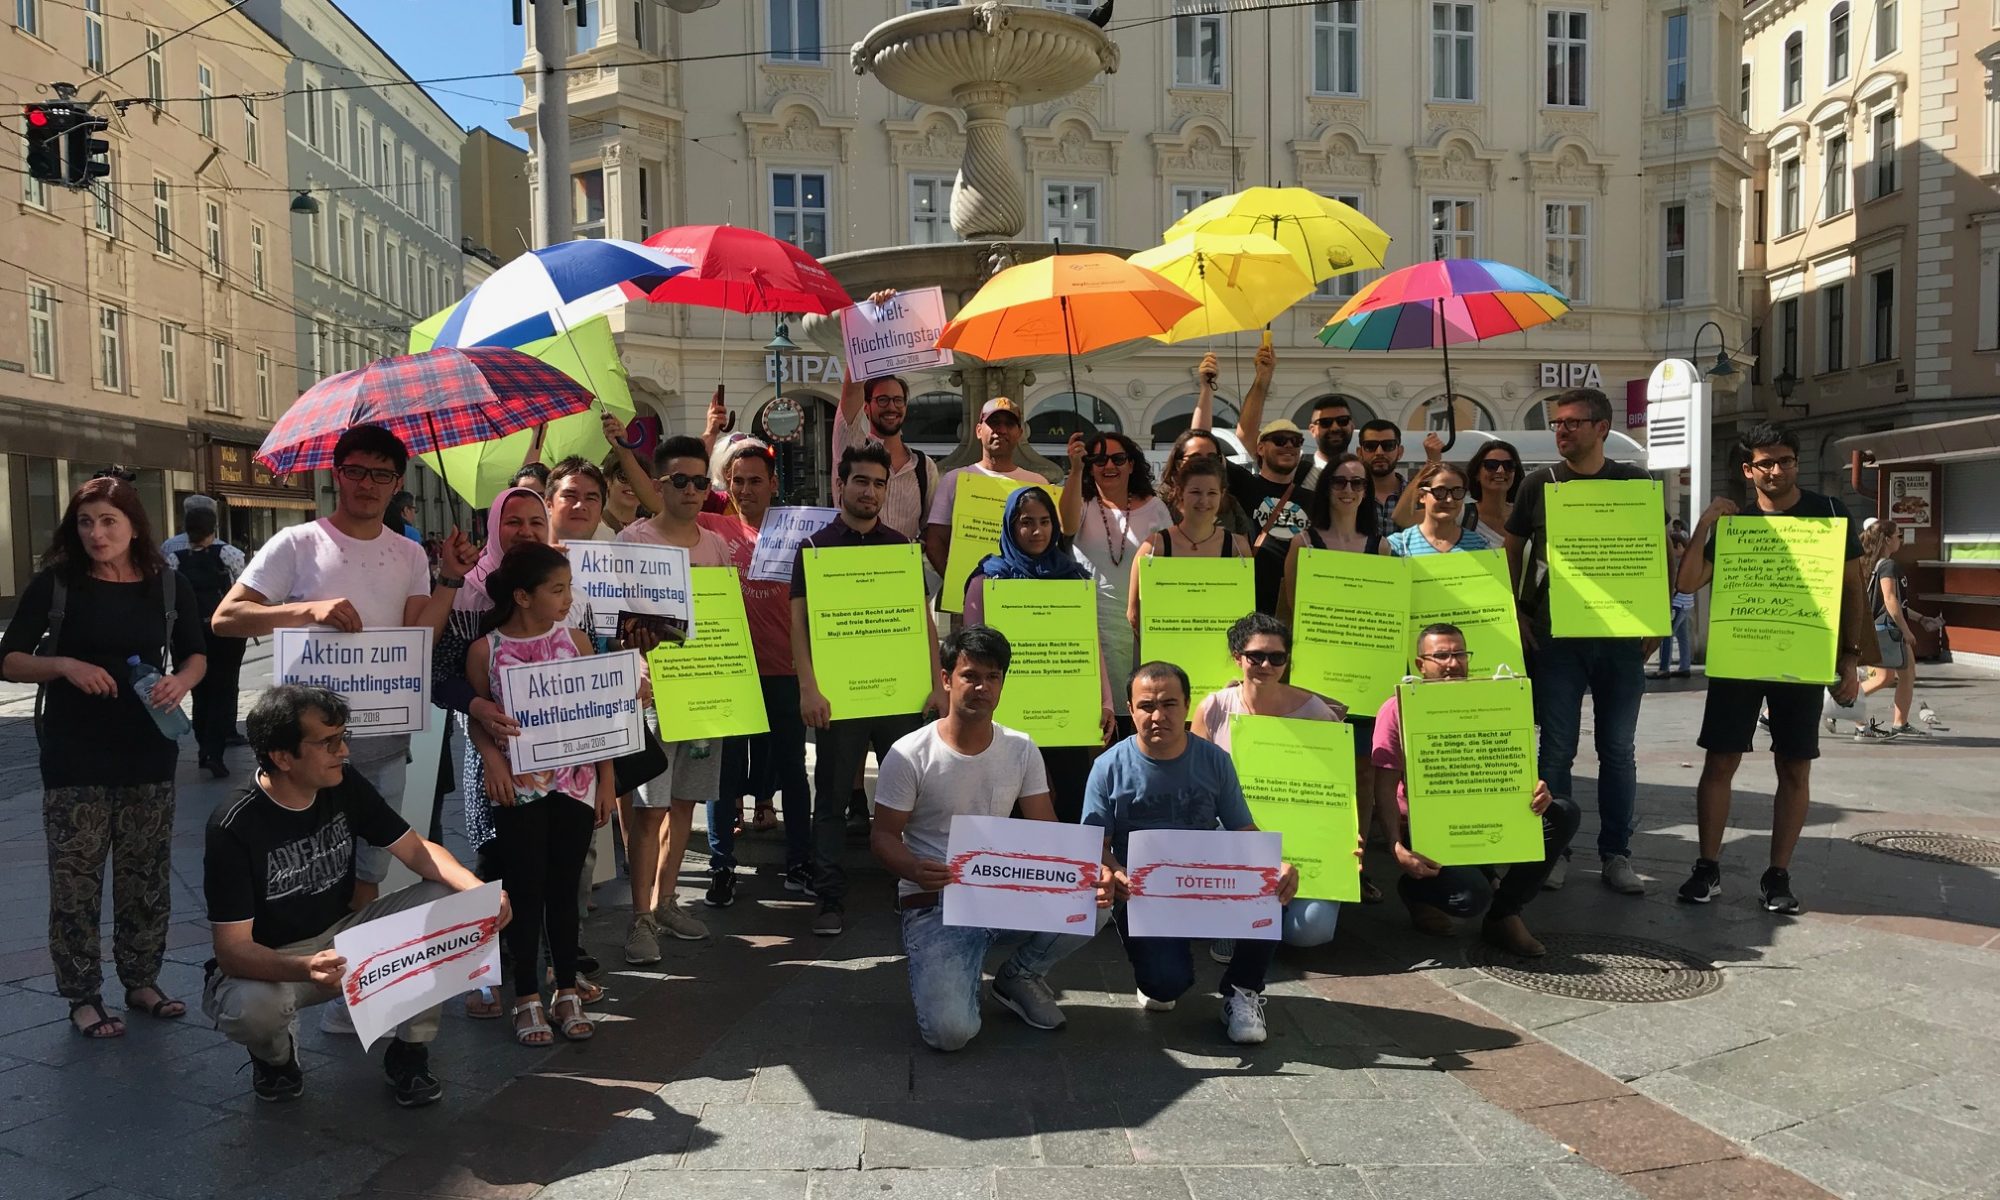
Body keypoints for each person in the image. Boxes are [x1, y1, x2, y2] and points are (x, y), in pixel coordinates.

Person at [214, 424, 478, 1032]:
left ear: (397, 483)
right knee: (302, 866)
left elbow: (423, 635)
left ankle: (347, 985)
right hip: (301, 754)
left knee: (368, 869)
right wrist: (305, 610)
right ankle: (297, 971)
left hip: (382, 739)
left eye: (381, 475)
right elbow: (228, 617)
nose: (367, 484)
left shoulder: (410, 552)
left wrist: (449, 579)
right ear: (336, 473)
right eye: (356, 471)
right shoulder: (296, 542)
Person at [202, 685, 507, 1105]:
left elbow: (415, 848)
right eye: (328, 742)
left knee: (450, 900)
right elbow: (232, 952)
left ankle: (410, 1051)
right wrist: (306, 966)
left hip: (347, 936)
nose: (343, 751)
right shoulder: (234, 825)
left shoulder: (342, 783)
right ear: (283, 756)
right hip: (279, 961)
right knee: (254, 1006)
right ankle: (276, 1061)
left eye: (343, 737)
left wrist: (480, 894)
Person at [0, 476, 208, 1039]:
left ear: (134, 525)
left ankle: (142, 981)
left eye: (108, 521)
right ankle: (83, 995)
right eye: (86, 521)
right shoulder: (57, 584)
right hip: (75, 755)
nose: (97, 533)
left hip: (147, 750)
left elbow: (196, 652)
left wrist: (181, 681)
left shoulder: (167, 585)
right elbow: (10, 660)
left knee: (145, 874)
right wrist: (64, 665)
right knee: (76, 880)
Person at [871, 626, 1099, 1050]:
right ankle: (956, 969)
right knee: (951, 1034)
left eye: (993, 678)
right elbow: (883, 836)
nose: (982, 687)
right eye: (970, 676)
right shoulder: (909, 753)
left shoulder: (1021, 748)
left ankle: (1019, 976)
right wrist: (913, 868)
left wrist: (1082, 872)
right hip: (936, 903)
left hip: (1004, 891)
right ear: (946, 679)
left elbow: (1044, 828)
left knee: (1096, 899)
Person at [1674, 424, 1867, 914]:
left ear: (1796, 463)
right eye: (1766, 463)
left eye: (1785, 460)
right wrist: (1707, 524)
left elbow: (1851, 591)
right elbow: (1689, 579)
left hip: (1802, 659)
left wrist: (1850, 658)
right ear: (1748, 470)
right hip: (1741, 657)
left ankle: (1778, 875)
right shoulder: (1735, 524)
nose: (1777, 470)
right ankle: (1706, 867)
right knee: (1719, 761)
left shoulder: (1829, 512)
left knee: (1795, 766)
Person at [1085, 661, 1300, 1044]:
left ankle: (1242, 991)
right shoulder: (1107, 767)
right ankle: (1159, 970)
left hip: (1207, 884)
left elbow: (1242, 829)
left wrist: (1277, 863)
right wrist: (1115, 869)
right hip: (1143, 897)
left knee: (1271, 884)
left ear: (1186, 706)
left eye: (1169, 704)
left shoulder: (1214, 760)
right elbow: (1094, 846)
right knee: (1165, 987)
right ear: (1130, 708)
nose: (1158, 715)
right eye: (1146, 705)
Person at [1502, 389, 1652, 896]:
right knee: (1557, 749)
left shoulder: (1633, 480)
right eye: (1556, 424)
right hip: (1557, 637)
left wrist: (1657, 619)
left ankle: (1616, 854)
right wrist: (1516, 608)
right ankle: (1554, 849)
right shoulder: (1538, 483)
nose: (1562, 431)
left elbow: (1651, 551)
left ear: (1602, 427)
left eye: (1572, 423)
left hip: (1619, 637)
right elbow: (1514, 544)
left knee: (1617, 749)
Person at [794, 445, 947, 937]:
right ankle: (829, 898)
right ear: (842, 485)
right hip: (839, 699)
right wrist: (808, 688)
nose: (870, 491)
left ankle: (915, 892)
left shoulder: (901, 546)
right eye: (862, 481)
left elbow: (921, 620)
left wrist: (937, 683)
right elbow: (799, 627)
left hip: (898, 696)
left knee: (913, 797)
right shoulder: (814, 549)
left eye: (880, 483)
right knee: (832, 800)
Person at [465, 544, 614, 1045]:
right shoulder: (486, 650)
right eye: (557, 589)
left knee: (566, 889)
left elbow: (600, 721)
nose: (568, 598)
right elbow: (478, 718)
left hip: (575, 785)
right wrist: (491, 759)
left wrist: (606, 783)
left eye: (569, 587)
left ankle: (566, 988)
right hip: (519, 790)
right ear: (523, 596)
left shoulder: (576, 640)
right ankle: (526, 995)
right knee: (524, 891)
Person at [1371, 624, 1579, 957]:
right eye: (1441, 656)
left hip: (1490, 816)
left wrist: (1538, 788)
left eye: (1460, 654)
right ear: (1420, 663)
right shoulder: (1397, 708)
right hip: (1429, 829)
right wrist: (1396, 845)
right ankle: (1417, 890)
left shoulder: (1493, 701)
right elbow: (1383, 785)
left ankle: (1505, 914)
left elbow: (1514, 764)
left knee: (1563, 814)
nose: (1453, 663)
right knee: (1469, 897)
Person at [617, 435, 735, 956]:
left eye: (701, 482)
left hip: (706, 693)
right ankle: (639, 918)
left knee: (686, 801)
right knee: (649, 808)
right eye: (681, 481)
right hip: (654, 695)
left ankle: (667, 901)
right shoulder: (631, 542)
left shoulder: (716, 545)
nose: (692, 491)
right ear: (660, 484)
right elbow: (608, 621)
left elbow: (725, 620)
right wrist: (631, 642)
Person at [699, 438, 816, 905]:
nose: (745, 489)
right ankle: (721, 865)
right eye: (737, 481)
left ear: (773, 484)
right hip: (729, 672)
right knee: (723, 777)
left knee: (792, 771)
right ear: (727, 485)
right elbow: (656, 500)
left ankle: (800, 861)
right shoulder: (711, 527)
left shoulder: (801, 535)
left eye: (754, 481)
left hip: (785, 671)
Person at [1190, 613, 1347, 958]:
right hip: (1231, 832)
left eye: (1277, 657)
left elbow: (1338, 789)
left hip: (1301, 835)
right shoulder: (1214, 708)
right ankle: (1237, 917)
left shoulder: (1316, 714)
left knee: (1311, 932)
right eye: (1255, 656)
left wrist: (1346, 838)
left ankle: (1255, 911)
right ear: (1237, 657)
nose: (1265, 664)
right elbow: (1193, 783)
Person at [963, 486, 1116, 821]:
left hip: (1066, 713)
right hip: (1008, 718)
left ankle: (1071, 871)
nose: (1037, 531)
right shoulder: (988, 580)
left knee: (1072, 797)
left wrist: (1104, 701)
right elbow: (972, 655)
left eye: (1045, 521)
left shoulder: (1072, 578)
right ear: (1010, 526)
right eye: (1026, 522)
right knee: (1011, 804)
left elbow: (1090, 645)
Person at [1277, 452, 1388, 904]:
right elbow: (1287, 613)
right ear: (1327, 490)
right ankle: (1307, 861)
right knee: (1315, 774)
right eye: (1339, 482)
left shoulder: (1381, 548)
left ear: (1367, 491)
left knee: (1363, 776)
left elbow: (1385, 619)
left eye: (1357, 483)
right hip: (1315, 679)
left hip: (1364, 678)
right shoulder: (1303, 543)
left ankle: (1353, 867)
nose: (1347, 490)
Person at [1058, 431, 1170, 734]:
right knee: (1102, 719)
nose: (1110, 465)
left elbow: (1171, 563)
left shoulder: (1155, 507)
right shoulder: (1082, 503)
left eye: (1118, 458)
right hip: (1095, 626)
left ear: (1132, 465)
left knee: (1145, 709)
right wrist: (1076, 469)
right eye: (1099, 459)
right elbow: (1065, 524)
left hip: (1142, 626)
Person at [1191, 348, 1310, 612]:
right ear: (1260, 448)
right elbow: (1200, 443)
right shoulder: (1245, 485)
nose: (1288, 446)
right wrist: (1209, 389)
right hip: (1245, 604)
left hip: (1293, 609)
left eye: (1296, 441)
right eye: (1279, 440)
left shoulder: (1313, 497)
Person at [923, 397, 1048, 587]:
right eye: (994, 423)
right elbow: (934, 541)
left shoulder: (1037, 483)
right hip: (967, 599)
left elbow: (1047, 542)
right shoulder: (954, 479)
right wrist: (957, 585)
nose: (1002, 430)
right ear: (979, 430)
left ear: (1020, 433)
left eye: (1009, 424)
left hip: (1023, 596)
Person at [1126, 455, 1253, 633]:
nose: (1204, 501)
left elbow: (1245, 613)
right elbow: (1134, 615)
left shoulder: (1237, 548)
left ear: (1222, 494)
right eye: (1195, 492)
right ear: (1180, 492)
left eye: (1212, 493)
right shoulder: (1155, 547)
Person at [168, 499, 248, 779]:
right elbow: (245, 588)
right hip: (226, 631)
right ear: (213, 528)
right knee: (224, 688)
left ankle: (204, 747)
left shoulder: (172, 556)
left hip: (188, 634)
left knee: (199, 692)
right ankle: (216, 749)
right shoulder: (230, 553)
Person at [1858, 520, 1926, 740]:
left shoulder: (1871, 563)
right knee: (1893, 677)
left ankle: (1900, 722)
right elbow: (1890, 600)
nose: (1901, 540)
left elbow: (1894, 604)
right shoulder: (1888, 565)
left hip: (1879, 628)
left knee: (1896, 676)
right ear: (1887, 539)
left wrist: (1921, 618)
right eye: (1898, 536)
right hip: (1889, 630)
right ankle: (1838, 701)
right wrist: (1906, 631)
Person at [1392, 437, 1521, 536]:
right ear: (1477, 473)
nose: (1500, 471)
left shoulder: (1525, 516)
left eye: (1508, 465)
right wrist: (1431, 464)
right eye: (1491, 465)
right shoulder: (1461, 514)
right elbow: (1403, 518)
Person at [1387, 463, 1490, 556]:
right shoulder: (1398, 545)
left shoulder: (1480, 545)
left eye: (1457, 492)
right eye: (1440, 491)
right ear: (1422, 496)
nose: (1449, 499)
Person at [1160, 427, 1250, 534]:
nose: (1204, 464)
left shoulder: (1230, 503)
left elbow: (1243, 546)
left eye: (1212, 457)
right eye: (1195, 458)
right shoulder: (1161, 503)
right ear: (1178, 464)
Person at [1654, 520, 1694, 680]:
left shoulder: (1677, 562)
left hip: (1677, 603)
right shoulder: (1689, 560)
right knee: (1683, 637)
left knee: (1666, 635)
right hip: (1687, 603)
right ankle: (1685, 666)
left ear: (1680, 547)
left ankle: (1664, 668)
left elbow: (1674, 585)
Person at [1355, 420, 1406, 539]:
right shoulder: (1348, 495)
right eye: (1370, 446)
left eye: (1388, 445)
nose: (1379, 452)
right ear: (1359, 453)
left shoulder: (1418, 496)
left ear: (1400, 452)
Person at [1306, 396, 1356, 480]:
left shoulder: (1364, 473)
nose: (1335, 428)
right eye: (1325, 422)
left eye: (1342, 420)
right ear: (1312, 430)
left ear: (1352, 426)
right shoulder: (1298, 474)